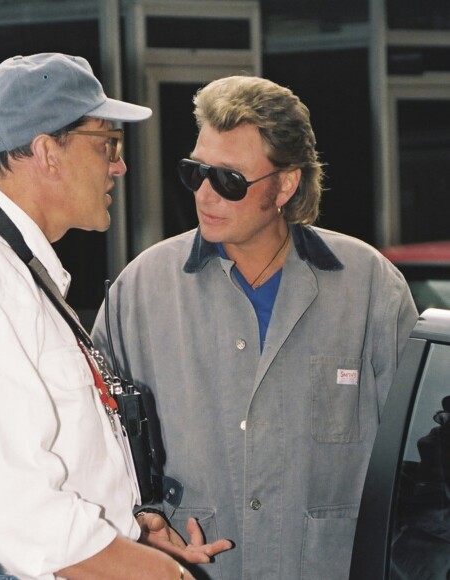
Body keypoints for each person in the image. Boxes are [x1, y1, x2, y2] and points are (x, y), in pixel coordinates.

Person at [0, 53, 231, 580]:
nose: (120, 165)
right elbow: (16, 507)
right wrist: (157, 575)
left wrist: (128, 532)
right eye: (107, 144)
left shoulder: (4, 263)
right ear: (47, 152)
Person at [91, 74, 419, 579]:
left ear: (285, 184)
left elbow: (418, 464)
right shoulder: (140, 292)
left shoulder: (371, 287)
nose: (205, 194)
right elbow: (96, 446)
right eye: (195, 172)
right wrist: (140, 519)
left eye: (228, 180)